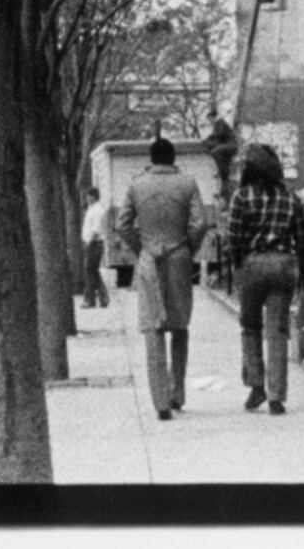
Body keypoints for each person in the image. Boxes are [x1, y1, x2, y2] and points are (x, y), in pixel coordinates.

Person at [215, 141, 304, 413]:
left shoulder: (241, 196)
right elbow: (303, 240)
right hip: (283, 265)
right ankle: (276, 395)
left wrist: (237, 266)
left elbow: (233, 237)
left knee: (250, 326)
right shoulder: (290, 198)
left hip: (252, 264)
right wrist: (303, 273)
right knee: (278, 330)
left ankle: (256, 384)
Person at [120, 135, 206, 419]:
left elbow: (122, 225)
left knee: (153, 329)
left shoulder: (136, 184)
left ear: (151, 158)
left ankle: (160, 402)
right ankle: (177, 393)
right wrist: (187, 248)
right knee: (180, 326)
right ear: (173, 159)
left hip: (148, 258)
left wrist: (141, 247)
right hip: (179, 257)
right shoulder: (188, 183)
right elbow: (199, 224)